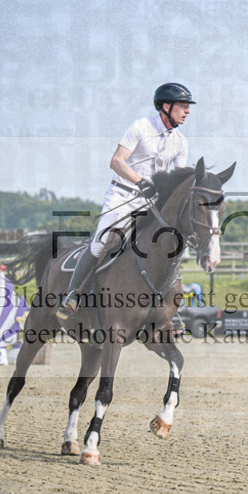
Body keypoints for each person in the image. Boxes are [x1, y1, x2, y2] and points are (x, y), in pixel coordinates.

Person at [57, 83, 195, 321]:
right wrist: (139, 180)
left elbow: (176, 179)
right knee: (103, 241)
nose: (187, 111)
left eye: (187, 107)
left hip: (149, 205)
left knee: (168, 246)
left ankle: (168, 307)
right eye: (183, 106)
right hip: (122, 196)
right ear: (166, 106)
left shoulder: (181, 141)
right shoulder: (141, 127)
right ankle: (73, 294)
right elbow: (117, 161)